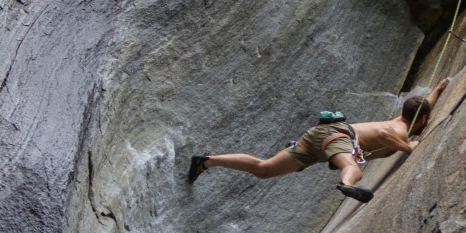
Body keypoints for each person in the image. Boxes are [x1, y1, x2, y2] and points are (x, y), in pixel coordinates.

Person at [188, 78, 450, 204]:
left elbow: (422, 108)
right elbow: (384, 136)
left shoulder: (402, 119)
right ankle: (347, 186)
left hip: (319, 139)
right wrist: (409, 147)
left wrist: (438, 89)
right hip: (336, 138)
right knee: (353, 168)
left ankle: (208, 162)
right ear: (423, 121)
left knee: (264, 169)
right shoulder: (399, 130)